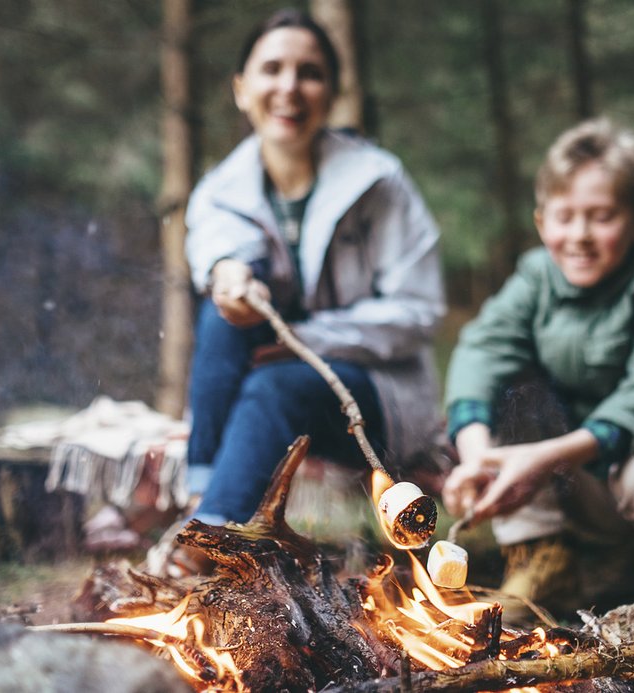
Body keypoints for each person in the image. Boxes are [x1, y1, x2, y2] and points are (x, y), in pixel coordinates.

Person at [440, 117, 634, 633]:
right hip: (570, 480)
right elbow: (482, 350)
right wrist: (477, 455)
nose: (579, 236)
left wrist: (542, 457)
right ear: (540, 220)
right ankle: (542, 555)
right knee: (512, 392)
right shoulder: (536, 277)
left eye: (601, 217)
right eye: (565, 216)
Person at [182, 10, 445, 535]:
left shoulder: (379, 181)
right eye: (272, 69)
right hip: (273, 390)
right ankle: (200, 496)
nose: (289, 87)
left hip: (377, 394)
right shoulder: (220, 190)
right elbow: (219, 248)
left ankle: (208, 533)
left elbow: (419, 311)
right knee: (222, 320)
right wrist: (230, 275)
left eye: (309, 72)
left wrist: (307, 338)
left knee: (277, 384)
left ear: (330, 91)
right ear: (241, 88)